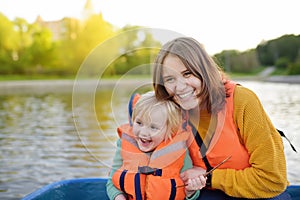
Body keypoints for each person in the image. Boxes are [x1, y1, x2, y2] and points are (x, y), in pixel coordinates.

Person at [152, 37, 291, 199]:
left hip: (260, 194)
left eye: (187, 73)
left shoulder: (243, 100)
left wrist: (210, 178)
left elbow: (272, 181)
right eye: (170, 79)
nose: (180, 86)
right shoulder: (169, 111)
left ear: (204, 71)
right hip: (205, 194)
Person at [106, 91, 206, 200]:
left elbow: (190, 193)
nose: (143, 132)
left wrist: (191, 191)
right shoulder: (123, 144)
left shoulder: (179, 150)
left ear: (170, 130)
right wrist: (118, 197)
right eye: (139, 123)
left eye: (153, 127)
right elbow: (112, 182)